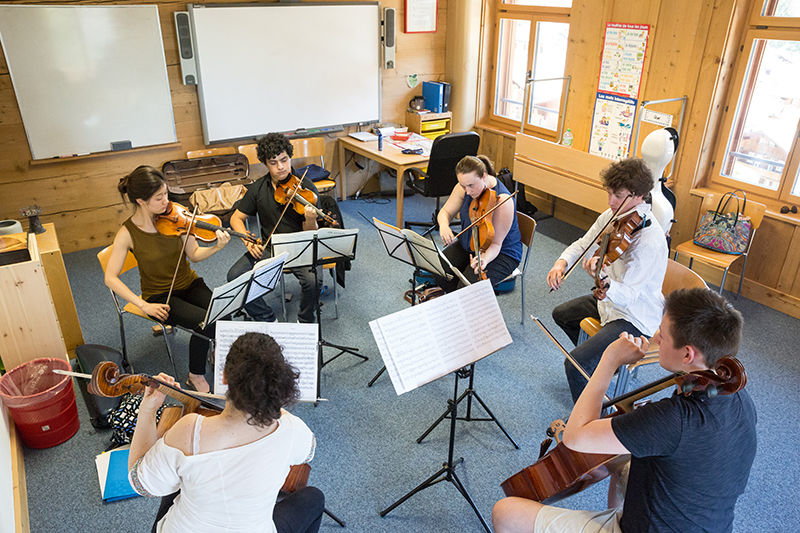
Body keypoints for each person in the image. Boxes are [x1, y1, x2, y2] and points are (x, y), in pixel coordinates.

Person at [493, 288, 757, 533]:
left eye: (662, 335)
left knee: (505, 512)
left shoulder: (672, 419)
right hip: (709, 523)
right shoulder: (738, 395)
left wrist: (609, 359)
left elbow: (575, 437)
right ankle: (616, 514)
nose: (655, 338)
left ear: (687, 355)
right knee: (623, 459)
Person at [128, 332, 325, 533]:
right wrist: (273, 406)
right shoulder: (291, 428)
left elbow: (141, 484)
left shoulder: (189, 430)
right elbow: (308, 452)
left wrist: (148, 409)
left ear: (223, 377)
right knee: (313, 498)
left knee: (176, 472)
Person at [546, 158, 668, 402]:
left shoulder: (649, 240)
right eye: (609, 193)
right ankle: (604, 367)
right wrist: (562, 262)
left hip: (634, 316)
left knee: (575, 364)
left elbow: (630, 294)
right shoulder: (613, 216)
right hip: (608, 304)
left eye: (618, 195)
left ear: (638, 196)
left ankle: (594, 417)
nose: (610, 201)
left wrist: (603, 279)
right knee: (562, 314)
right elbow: (585, 243)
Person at [105, 166, 230, 393]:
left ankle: (212, 348)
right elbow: (110, 278)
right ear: (141, 201)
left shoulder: (176, 216)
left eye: (166, 194)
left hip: (189, 283)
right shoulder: (127, 233)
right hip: (160, 296)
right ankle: (195, 374)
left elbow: (194, 255)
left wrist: (217, 247)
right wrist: (144, 305)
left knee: (225, 311)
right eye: (159, 197)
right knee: (206, 323)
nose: (166, 201)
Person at [227, 132, 322, 323]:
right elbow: (236, 218)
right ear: (265, 164)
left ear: (290, 157)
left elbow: (312, 232)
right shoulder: (258, 188)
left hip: (300, 247)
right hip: (271, 247)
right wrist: (247, 239)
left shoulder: (305, 186)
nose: (280, 167)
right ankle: (267, 318)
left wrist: (310, 219)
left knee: (313, 282)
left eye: (284, 160)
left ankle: (304, 320)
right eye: (273, 162)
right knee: (235, 277)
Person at [436, 155, 523, 290]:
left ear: (484, 176)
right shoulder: (464, 187)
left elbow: (496, 244)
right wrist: (444, 226)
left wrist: (485, 259)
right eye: (463, 186)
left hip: (501, 253)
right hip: (469, 244)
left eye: (471, 185)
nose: (468, 192)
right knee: (439, 273)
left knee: (466, 289)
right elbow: (445, 212)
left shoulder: (503, 201)